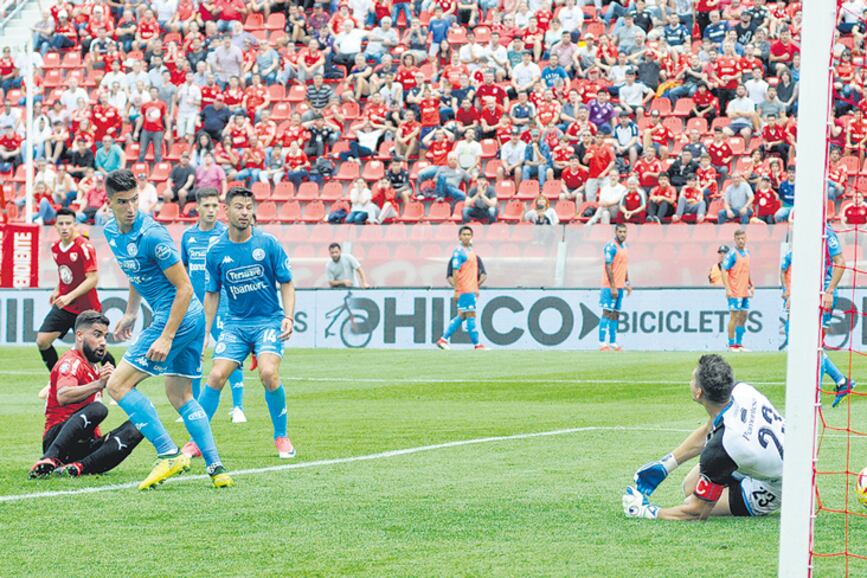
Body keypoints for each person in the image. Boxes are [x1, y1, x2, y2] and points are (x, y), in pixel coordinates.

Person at [102, 169, 232, 489]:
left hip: (179, 316)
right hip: (185, 317)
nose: (131, 208)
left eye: (135, 200)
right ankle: (217, 469)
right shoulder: (110, 232)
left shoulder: (153, 235)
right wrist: (131, 312)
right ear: (109, 202)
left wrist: (166, 335)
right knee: (181, 394)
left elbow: (185, 289)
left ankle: (168, 452)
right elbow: (135, 271)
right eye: (123, 202)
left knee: (117, 386)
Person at [182, 186, 297, 460]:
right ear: (227, 210)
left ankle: (281, 436)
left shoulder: (267, 243)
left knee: (268, 374)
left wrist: (288, 316)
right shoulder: (216, 250)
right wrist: (205, 333)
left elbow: (287, 282)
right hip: (234, 325)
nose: (245, 213)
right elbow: (212, 294)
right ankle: (197, 441)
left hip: (268, 321)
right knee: (215, 375)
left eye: (249, 208)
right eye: (239, 207)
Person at [623, 355, 784, 521]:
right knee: (689, 485)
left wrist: (646, 511)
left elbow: (698, 511)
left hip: (774, 485)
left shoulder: (723, 446)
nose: (690, 381)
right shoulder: (742, 390)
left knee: (691, 501)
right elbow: (710, 427)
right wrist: (666, 465)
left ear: (699, 392)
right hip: (761, 455)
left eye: (693, 379)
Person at [28, 311, 144, 479]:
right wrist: (99, 384)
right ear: (80, 335)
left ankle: (77, 467)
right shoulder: (71, 362)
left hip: (84, 444)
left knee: (140, 424)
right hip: (58, 440)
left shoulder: (96, 368)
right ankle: (49, 458)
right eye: (97, 335)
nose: (103, 342)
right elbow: (63, 395)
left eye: (105, 336)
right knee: (98, 409)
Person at [180, 188, 246, 422]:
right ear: (197, 207)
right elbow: (184, 272)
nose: (211, 210)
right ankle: (194, 408)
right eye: (206, 206)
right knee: (194, 354)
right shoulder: (188, 236)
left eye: (215, 206)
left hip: (224, 305)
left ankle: (238, 407)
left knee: (229, 353)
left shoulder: (227, 234)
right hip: (196, 307)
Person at [36, 209, 115, 391]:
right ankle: (56, 380)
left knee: (95, 350)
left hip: (87, 309)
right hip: (66, 305)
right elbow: (66, 275)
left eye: (68, 223)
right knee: (42, 341)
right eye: (61, 224)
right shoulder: (56, 248)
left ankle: (116, 379)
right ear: (55, 226)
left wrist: (69, 295)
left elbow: (93, 278)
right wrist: (58, 290)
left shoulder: (84, 247)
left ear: (75, 225)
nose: (64, 227)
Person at [779, 227, 855, 407]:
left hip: (822, 295)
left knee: (813, 346)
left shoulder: (826, 233)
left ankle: (815, 396)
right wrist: (790, 294)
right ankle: (842, 382)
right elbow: (794, 269)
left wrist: (829, 291)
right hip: (804, 295)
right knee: (802, 343)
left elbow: (840, 261)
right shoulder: (803, 232)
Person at [436, 226, 487, 350]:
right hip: (465, 289)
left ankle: (443, 339)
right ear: (459, 237)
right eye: (464, 234)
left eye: (469, 234)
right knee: (471, 315)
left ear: (472, 237)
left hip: (471, 289)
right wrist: (457, 290)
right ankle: (477, 344)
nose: (466, 236)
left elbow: (478, 274)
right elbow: (455, 272)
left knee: (463, 316)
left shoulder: (472, 252)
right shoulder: (458, 252)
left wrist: (475, 288)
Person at [599, 224, 631, 351]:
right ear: (615, 232)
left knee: (615, 314)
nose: (622, 234)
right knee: (607, 312)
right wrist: (612, 286)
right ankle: (602, 343)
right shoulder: (610, 246)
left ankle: (613, 342)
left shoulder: (625, 247)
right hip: (609, 286)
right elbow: (608, 267)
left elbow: (624, 267)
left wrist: (627, 283)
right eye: (620, 232)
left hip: (620, 286)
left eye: (624, 232)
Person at [721, 229, 753, 352]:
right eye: (738, 238)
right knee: (734, 317)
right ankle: (731, 344)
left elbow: (747, 270)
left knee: (744, 315)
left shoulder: (747, 252)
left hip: (744, 290)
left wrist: (751, 285)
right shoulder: (732, 254)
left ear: (746, 239)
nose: (741, 240)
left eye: (743, 238)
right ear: (734, 239)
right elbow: (724, 270)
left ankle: (739, 344)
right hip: (735, 291)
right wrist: (728, 289)